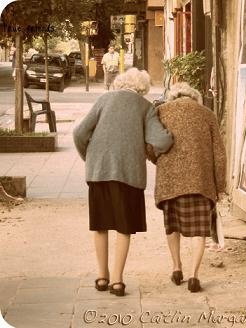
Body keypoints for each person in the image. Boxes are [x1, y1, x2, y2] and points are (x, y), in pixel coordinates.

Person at [73, 68, 173, 297]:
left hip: (99, 171)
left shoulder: (104, 99)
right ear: (143, 88)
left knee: (100, 224)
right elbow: (161, 141)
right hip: (128, 173)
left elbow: (79, 133)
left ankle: (101, 276)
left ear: (120, 83)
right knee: (123, 227)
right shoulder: (145, 107)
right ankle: (117, 281)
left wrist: (90, 158)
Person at [148, 82, 227, 293]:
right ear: (195, 98)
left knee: (172, 226)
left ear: (173, 97)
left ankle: (176, 267)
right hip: (200, 181)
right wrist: (220, 185)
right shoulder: (207, 114)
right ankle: (194, 275)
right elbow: (219, 153)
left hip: (169, 180)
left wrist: (159, 161)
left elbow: (149, 144)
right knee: (199, 231)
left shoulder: (160, 111)